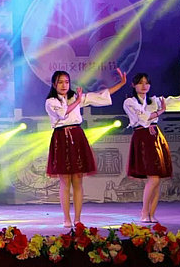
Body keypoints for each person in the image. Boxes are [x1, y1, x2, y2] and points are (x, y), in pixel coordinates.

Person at [45, 69, 126, 228]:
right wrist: (78, 101)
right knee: (65, 180)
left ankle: (78, 219)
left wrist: (121, 84)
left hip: (77, 136)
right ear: (54, 84)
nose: (64, 85)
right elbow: (63, 113)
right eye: (60, 82)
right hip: (61, 138)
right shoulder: (51, 102)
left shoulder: (75, 97)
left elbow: (100, 96)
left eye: (67, 82)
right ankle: (66, 219)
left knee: (78, 179)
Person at [123, 73, 180, 223]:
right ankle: (144, 212)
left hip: (155, 137)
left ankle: (152, 213)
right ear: (133, 85)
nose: (144, 86)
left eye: (146, 83)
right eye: (140, 83)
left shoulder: (155, 100)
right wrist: (160, 111)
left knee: (157, 179)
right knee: (153, 178)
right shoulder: (129, 101)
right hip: (142, 137)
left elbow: (179, 100)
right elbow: (144, 117)